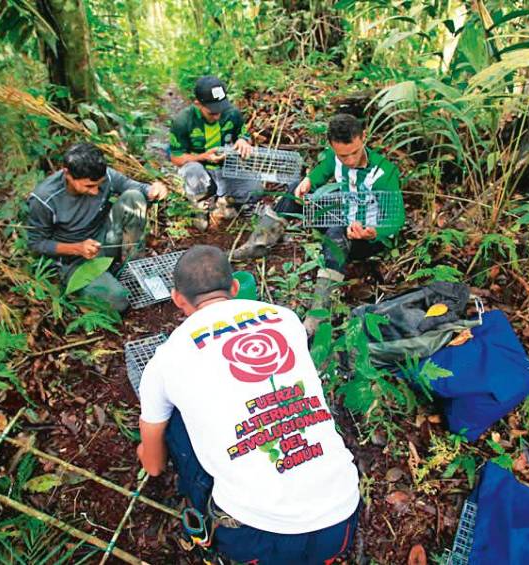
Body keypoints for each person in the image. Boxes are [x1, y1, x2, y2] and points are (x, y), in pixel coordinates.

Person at [136, 245, 361, 565]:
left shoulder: (166, 359)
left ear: (176, 299)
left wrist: (146, 453)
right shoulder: (285, 319)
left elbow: (154, 466)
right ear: (235, 288)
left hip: (257, 534)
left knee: (173, 421)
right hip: (340, 518)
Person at [232, 113, 405, 334]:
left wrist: (373, 233)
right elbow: (321, 172)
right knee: (295, 190)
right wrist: (308, 182)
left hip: (368, 238)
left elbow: (397, 218)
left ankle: (318, 314)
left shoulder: (384, 173)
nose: (350, 160)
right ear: (332, 146)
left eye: (354, 152)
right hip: (343, 216)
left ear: (364, 137)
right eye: (343, 156)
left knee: (336, 233)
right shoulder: (335, 158)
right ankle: (257, 245)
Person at [27, 142, 167, 311]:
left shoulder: (104, 176)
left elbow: (136, 188)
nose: (95, 192)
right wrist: (77, 248)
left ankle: (131, 266)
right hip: (76, 259)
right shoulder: (45, 199)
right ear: (67, 174)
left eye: (99, 185)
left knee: (134, 197)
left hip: (105, 239)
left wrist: (152, 190)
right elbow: (37, 244)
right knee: (119, 302)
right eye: (89, 186)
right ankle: (98, 282)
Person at [169, 76, 261, 228]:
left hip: (226, 169)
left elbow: (244, 135)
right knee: (193, 171)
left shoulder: (232, 113)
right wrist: (203, 157)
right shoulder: (183, 120)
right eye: (212, 112)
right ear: (198, 104)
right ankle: (200, 205)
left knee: (255, 189)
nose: (218, 115)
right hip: (200, 171)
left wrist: (243, 141)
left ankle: (227, 202)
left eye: (220, 109)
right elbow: (176, 158)